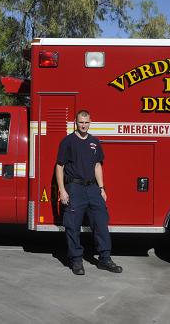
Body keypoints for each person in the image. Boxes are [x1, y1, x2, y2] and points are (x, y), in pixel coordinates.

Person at [56, 110, 123, 275]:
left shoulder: (94, 142)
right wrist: (62, 190)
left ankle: (105, 259)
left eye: (86, 122)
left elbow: (97, 166)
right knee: (72, 226)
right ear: (75, 122)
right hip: (75, 188)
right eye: (80, 122)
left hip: (93, 188)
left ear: (90, 122)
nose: (83, 125)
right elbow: (59, 166)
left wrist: (101, 188)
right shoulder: (68, 141)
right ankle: (76, 261)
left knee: (101, 223)